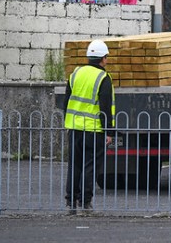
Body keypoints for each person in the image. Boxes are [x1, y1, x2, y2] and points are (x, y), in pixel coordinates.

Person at [62, 39, 115, 215]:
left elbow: (66, 101)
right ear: (103, 59)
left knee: (74, 165)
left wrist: (68, 123)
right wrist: (109, 131)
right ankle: (85, 202)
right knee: (90, 166)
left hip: (75, 128)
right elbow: (105, 107)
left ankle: (71, 203)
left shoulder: (75, 73)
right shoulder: (103, 78)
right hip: (94, 130)